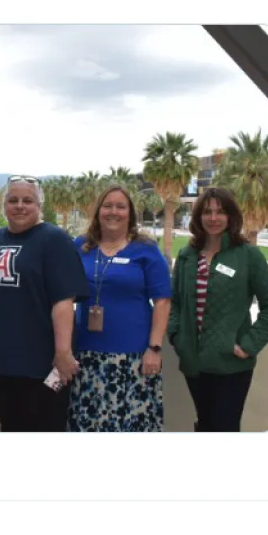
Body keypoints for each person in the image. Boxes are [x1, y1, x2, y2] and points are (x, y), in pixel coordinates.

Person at [0, 177, 88, 431]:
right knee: (10, 427)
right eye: (13, 200)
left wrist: (63, 353)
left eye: (28, 200)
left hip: (40, 364)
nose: (20, 206)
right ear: (3, 205)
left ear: (40, 206)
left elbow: (63, 300)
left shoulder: (54, 239)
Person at [168, 187, 268, 432]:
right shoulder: (187, 256)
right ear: (198, 217)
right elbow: (174, 302)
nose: (213, 218)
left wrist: (249, 345)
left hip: (232, 365)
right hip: (193, 363)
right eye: (207, 212)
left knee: (225, 427)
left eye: (221, 212)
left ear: (231, 216)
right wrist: (178, 337)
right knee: (205, 425)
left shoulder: (248, 255)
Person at [68, 185, 172, 432]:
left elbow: (163, 301)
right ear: (98, 211)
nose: (113, 211)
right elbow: (62, 294)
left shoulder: (146, 249)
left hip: (134, 360)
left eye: (120, 206)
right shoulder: (80, 246)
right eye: (107, 205)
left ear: (130, 214)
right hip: (85, 358)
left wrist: (154, 348)